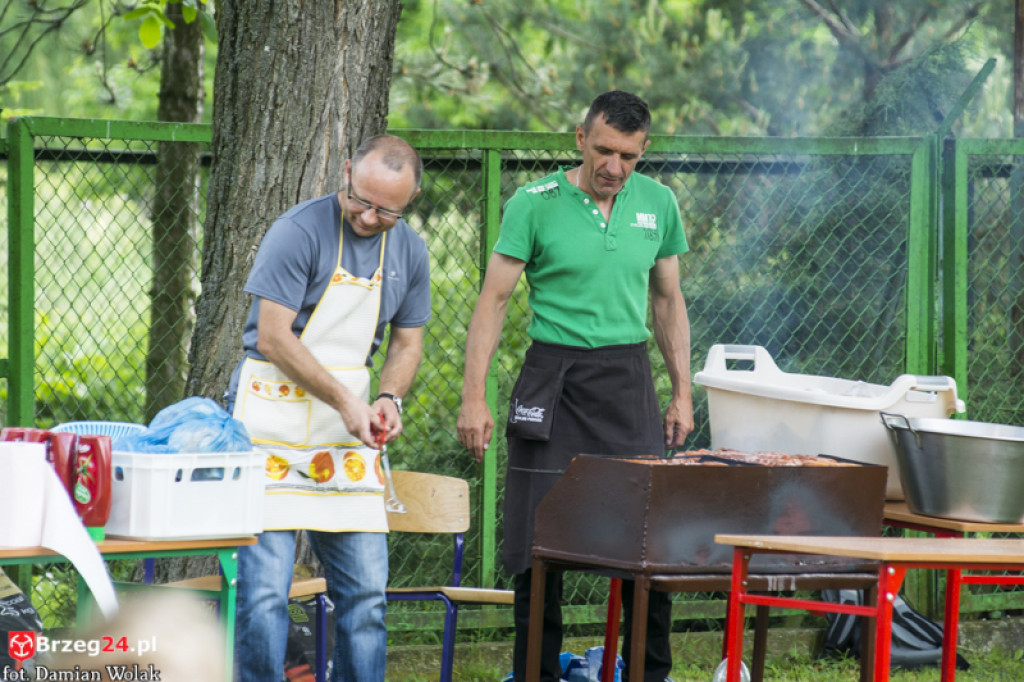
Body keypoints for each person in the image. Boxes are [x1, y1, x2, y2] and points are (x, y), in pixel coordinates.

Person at [456, 90, 694, 682]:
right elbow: (494, 300)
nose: (614, 167)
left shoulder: (659, 203)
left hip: (628, 379)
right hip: (551, 379)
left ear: (644, 153)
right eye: (605, 150)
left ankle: (650, 674)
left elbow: (667, 301)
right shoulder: (533, 203)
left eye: (630, 157)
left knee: (647, 545)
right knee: (539, 547)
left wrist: (683, 391)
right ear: (580, 137)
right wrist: (473, 395)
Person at [227, 134, 431, 682]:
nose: (368, 216)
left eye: (386, 209)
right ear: (346, 172)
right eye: (359, 199)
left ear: (409, 199)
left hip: (347, 433)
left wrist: (388, 398)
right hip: (272, 415)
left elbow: (406, 344)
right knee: (265, 593)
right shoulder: (298, 230)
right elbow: (272, 336)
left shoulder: (408, 250)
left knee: (366, 594)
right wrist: (347, 400)